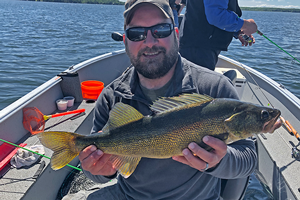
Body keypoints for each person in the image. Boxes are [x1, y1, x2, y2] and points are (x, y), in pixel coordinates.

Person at [63, 0, 272, 199]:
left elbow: (248, 158)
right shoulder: (112, 96)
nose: (150, 42)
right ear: (126, 41)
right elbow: (96, 173)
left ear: (177, 35)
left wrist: (219, 161)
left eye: (161, 30)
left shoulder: (215, 87)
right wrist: (101, 171)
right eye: (137, 34)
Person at [179, 0, 258, 70]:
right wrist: (246, 24)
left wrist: (237, 31)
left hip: (196, 45)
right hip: (200, 49)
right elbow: (216, 15)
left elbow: (204, 12)